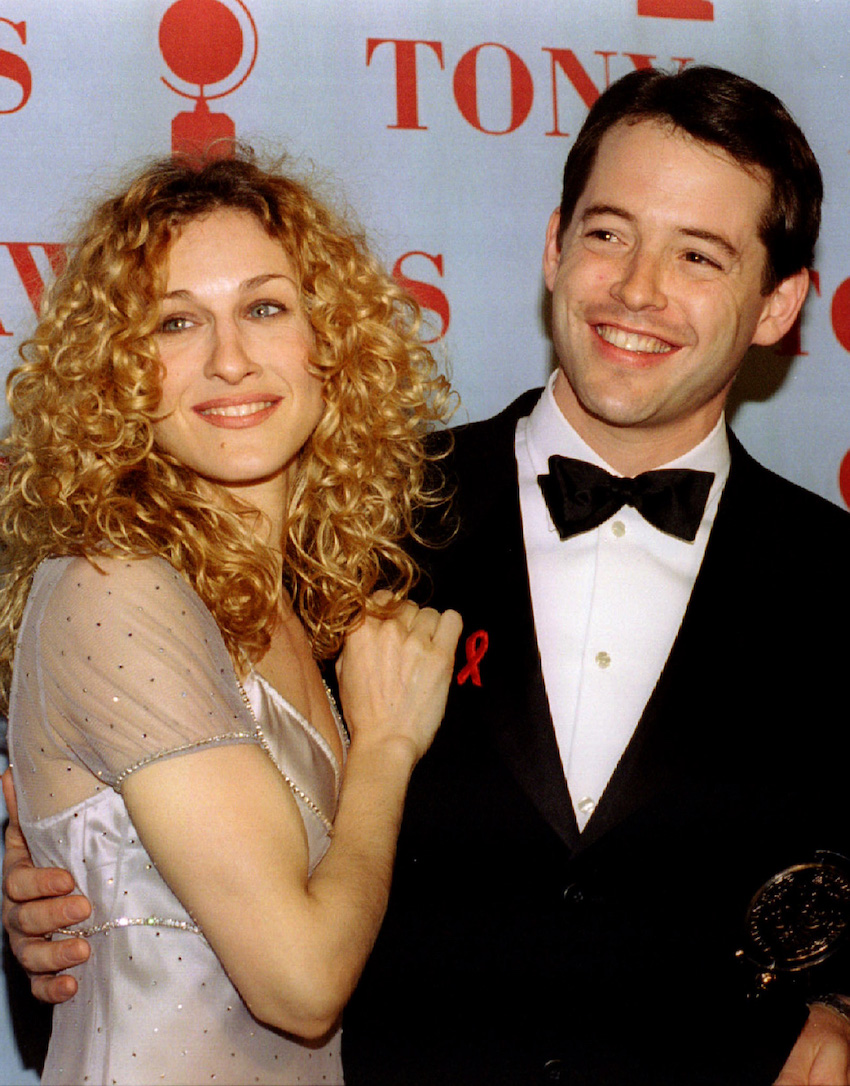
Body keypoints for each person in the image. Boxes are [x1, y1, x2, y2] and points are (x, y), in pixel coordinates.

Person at [5, 64, 850, 1085]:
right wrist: (40, 896)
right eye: (607, 232)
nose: (635, 289)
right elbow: (130, 820)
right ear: (552, 245)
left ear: (779, 304)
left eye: (698, 256)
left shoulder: (837, 580)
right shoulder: (345, 518)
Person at [0, 151, 461, 1085]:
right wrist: (383, 749)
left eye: (264, 306)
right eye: (176, 321)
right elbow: (298, 983)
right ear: (118, 371)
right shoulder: (114, 586)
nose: (229, 359)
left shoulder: (305, 605)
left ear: (331, 340)